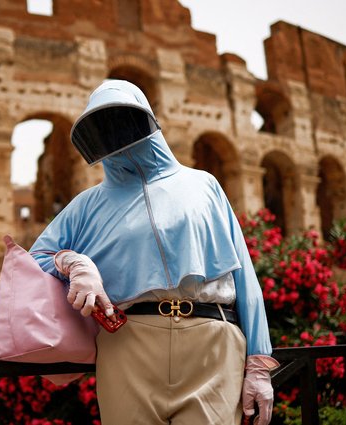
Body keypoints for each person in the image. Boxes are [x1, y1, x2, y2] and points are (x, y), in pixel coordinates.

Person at [30, 79, 278, 425]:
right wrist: (73, 262)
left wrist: (259, 365)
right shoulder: (87, 205)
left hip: (212, 342)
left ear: (147, 119)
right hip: (127, 343)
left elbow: (243, 275)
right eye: (104, 126)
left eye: (123, 118)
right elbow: (31, 261)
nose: (116, 132)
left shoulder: (203, 184)